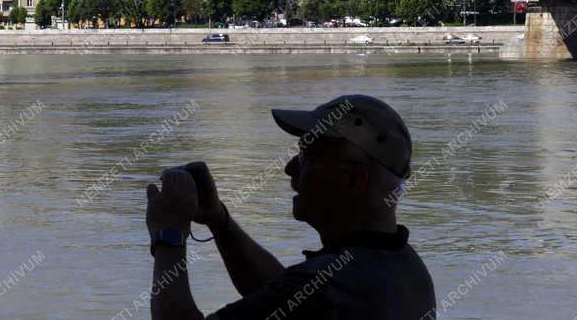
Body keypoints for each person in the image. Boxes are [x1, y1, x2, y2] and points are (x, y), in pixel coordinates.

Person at [144, 94, 436, 319]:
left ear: (355, 179)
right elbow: (283, 295)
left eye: (307, 156)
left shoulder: (327, 288)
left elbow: (295, 294)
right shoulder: (404, 266)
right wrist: (219, 221)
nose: (289, 168)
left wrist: (169, 234)